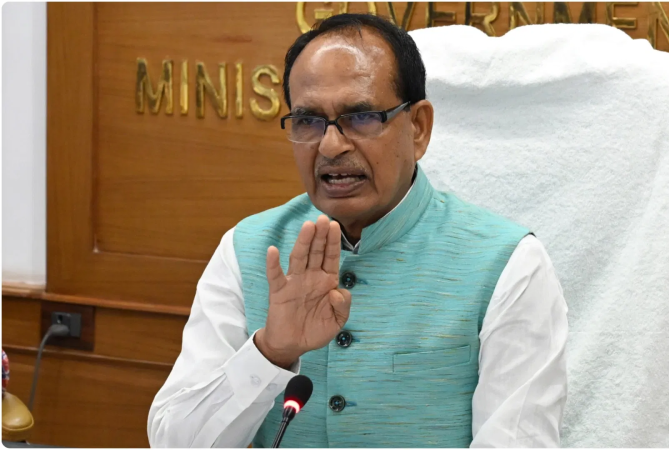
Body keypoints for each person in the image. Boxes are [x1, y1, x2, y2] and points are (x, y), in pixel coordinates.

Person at [147, 13, 568, 448]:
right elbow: (174, 442)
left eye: (361, 116)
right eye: (308, 121)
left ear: (418, 127)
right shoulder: (248, 249)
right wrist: (270, 351)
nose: (331, 145)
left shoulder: (508, 264)